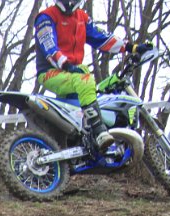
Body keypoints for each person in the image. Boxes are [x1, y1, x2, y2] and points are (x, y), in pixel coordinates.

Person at [34, 0, 144, 152]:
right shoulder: (46, 17)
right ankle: (99, 131)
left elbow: (102, 38)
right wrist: (65, 64)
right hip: (50, 71)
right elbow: (48, 45)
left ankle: (84, 140)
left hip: (73, 71)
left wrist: (132, 47)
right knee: (85, 80)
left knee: (89, 80)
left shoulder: (82, 17)